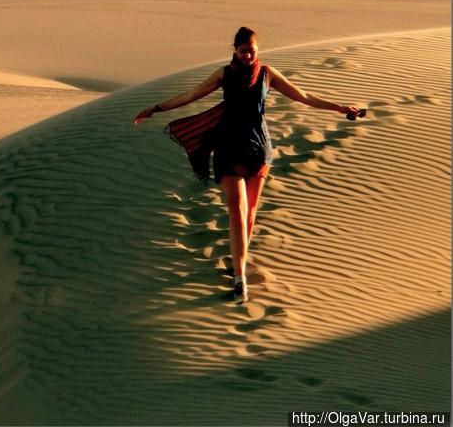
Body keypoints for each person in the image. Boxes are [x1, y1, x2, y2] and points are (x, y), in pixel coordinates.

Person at [133, 27, 364, 303]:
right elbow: (192, 95)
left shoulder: (267, 74)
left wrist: (340, 108)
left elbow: (304, 96)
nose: (248, 55)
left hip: (258, 150)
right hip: (228, 149)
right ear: (235, 50)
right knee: (237, 213)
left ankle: (237, 258)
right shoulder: (224, 74)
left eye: (252, 50)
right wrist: (157, 108)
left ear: (257, 48)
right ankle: (240, 278)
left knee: (251, 214)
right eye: (243, 51)